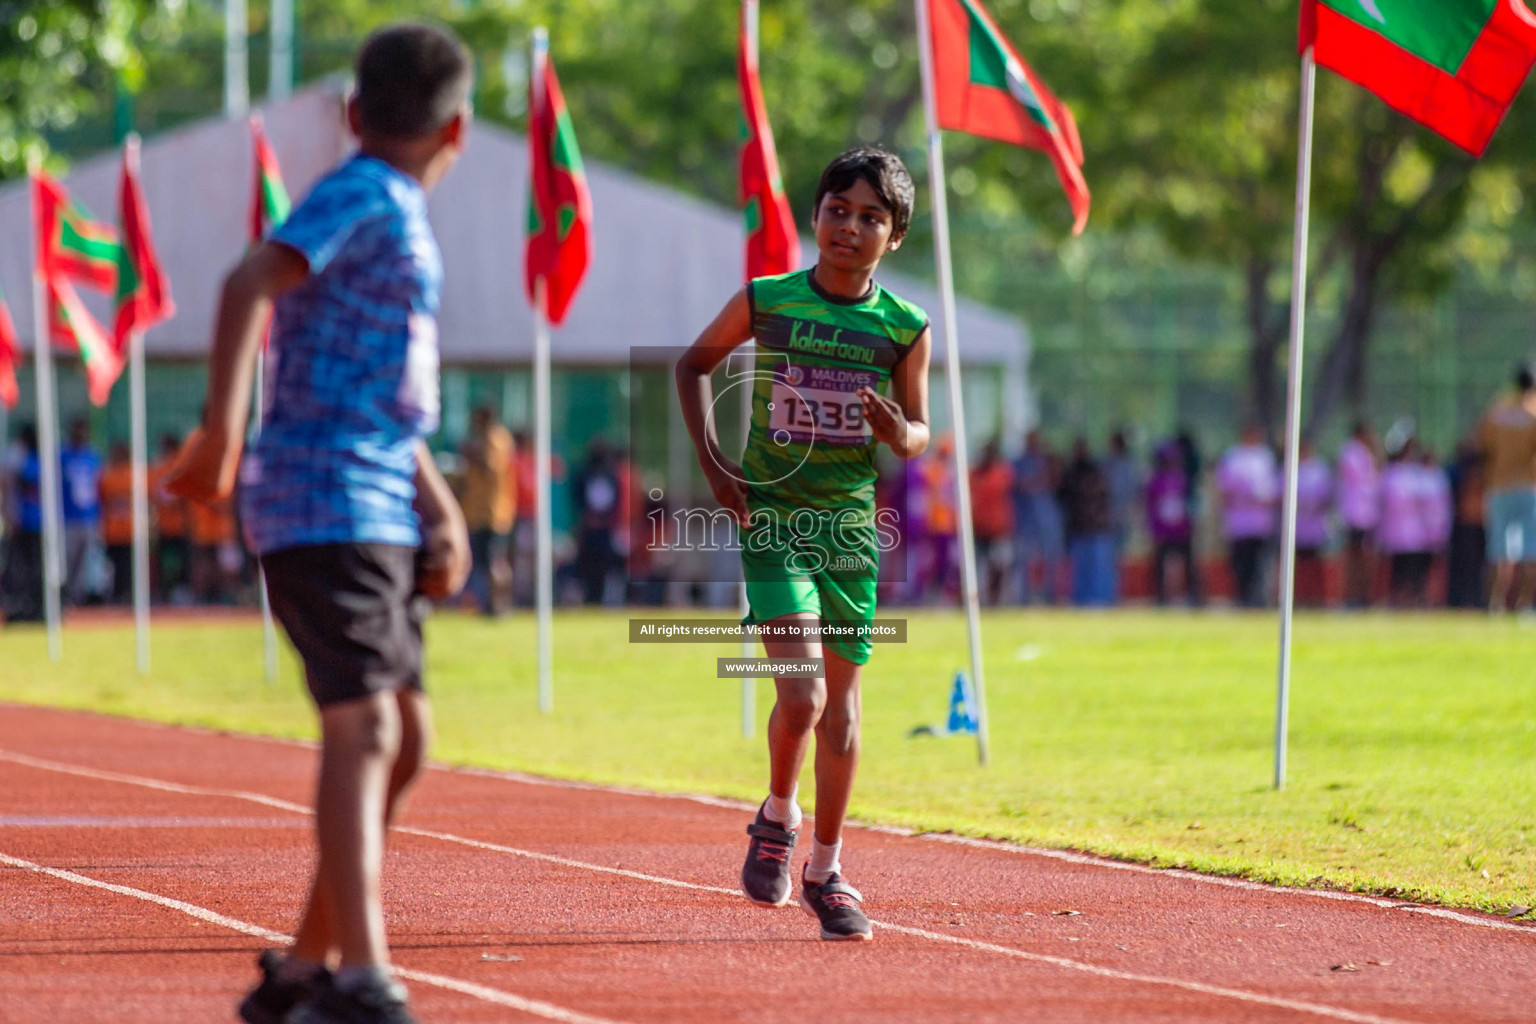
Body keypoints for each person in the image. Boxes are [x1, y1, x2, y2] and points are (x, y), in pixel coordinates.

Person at [160, 24, 472, 1024]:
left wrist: (438, 501)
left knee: (408, 735)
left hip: (378, 490)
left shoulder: (397, 210)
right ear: (457, 129)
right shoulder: (367, 192)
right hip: (320, 493)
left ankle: (304, 966)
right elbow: (251, 276)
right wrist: (220, 431)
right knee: (371, 724)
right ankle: (360, 978)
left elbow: (380, 383)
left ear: (352, 110)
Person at [675, 147, 930, 942]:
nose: (849, 227)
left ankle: (826, 866)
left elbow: (920, 434)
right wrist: (718, 468)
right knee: (803, 696)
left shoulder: (903, 328)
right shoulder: (769, 300)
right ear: (815, 214)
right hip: (776, 520)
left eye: (870, 218)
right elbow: (693, 366)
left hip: (850, 531)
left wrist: (902, 432)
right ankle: (778, 815)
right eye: (837, 210)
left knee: (845, 719)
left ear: (895, 236)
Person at [1475, 363, 1536, 613]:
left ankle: (1495, 603)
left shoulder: (1497, 412)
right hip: (1527, 487)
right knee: (1530, 551)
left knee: (1497, 551)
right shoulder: (1533, 413)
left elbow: (1483, 447)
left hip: (1498, 487)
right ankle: (1524, 604)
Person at [458, 406, 514, 615]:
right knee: (485, 562)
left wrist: (471, 453)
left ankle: (499, 605)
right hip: (478, 512)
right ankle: (491, 604)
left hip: (492, 513)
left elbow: (491, 466)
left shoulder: (495, 438)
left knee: (495, 561)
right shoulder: (485, 439)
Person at [1216, 424, 1279, 608]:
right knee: (1241, 562)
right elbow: (1224, 488)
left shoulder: (1265, 456)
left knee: (1259, 563)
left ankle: (1258, 598)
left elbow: (1272, 487)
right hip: (1239, 521)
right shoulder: (1232, 456)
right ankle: (1242, 597)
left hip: (1260, 521)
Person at [1058, 438, 1116, 606]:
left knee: (1099, 569)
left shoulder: (1096, 471)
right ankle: (1081, 600)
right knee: (1080, 570)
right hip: (1078, 528)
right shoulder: (1070, 474)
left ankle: (1102, 600)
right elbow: (1063, 498)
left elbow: (1104, 500)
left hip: (1097, 528)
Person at [1012, 429, 1065, 604]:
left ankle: (1050, 595)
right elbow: (1019, 484)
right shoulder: (1019, 462)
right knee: (1024, 559)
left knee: (1051, 557)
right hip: (1026, 519)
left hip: (1046, 517)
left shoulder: (1047, 461)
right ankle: (1024, 597)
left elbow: (1054, 480)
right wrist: (1035, 482)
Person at [1145, 441, 1199, 606]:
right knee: (1159, 565)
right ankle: (1160, 597)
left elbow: (1190, 505)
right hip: (1163, 530)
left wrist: (1191, 525)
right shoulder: (1155, 481)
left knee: (1189, 564)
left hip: (1181, 529)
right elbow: (1151, 507)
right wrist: (1153, 528)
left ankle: (1194, 595)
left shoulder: (1183, 479)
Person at [1, 425, 43, 622]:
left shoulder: (32, 462)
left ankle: (33, 605)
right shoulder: (28, 460)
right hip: (26, 522)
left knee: (30, 567)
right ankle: (25, 604)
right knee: (23, 567)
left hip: (32, 522)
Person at [1337, 421, 1381, 608]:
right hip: (1355, 513)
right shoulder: (1351, 452)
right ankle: (1352, 596)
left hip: (1366, 514)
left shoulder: (1365, 454)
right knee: (1354, 557)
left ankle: (1363, 596)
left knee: (1365, 557)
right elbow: (1363, 481)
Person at [59, 418, 103, 605]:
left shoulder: (92, 456)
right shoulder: (62, 456)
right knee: (68, 558)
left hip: (89, 517)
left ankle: (79, 595)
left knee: (86, 561)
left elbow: (99, 488)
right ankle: (65, 593)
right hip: (68, 518)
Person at [969, 439, 1014, 605]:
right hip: (978, 528)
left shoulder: (1001, 473)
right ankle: (979, 599)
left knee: (999, 567)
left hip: (998, 529)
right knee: (978, 567)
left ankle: (996, 600)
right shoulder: (973, 474)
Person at [1446, 437, 1488, 609]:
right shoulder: (1457, 473)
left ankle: (1475, 599)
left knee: (1477, 567)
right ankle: (1461, 601)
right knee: (1463, 567)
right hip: (1463, 526)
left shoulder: (1483, 474)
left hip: (1477, 526)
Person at [149, 433, 191, 602]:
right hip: (164, 526)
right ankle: (164, 592)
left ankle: (180, 590)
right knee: (162, 563)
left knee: (183, 562)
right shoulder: (160, 466)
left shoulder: (179, 465)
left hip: (180, 525)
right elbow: (154, 493)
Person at [1293, 440, 1333, 608]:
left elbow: (1328, 495)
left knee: (1315, 564)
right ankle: (1299, 597)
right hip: (1297, 527)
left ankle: (1317, 598)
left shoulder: (1320, 469)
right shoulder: (1291, 468)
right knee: (1298, 565)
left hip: (1315, 526)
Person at [98, 442, 135, 605]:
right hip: (112, 531)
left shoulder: (134, 474)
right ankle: (114, 595)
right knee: (112, 566)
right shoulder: (107, 475)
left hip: (130, 530)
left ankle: (128, 593)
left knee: (129, 566)